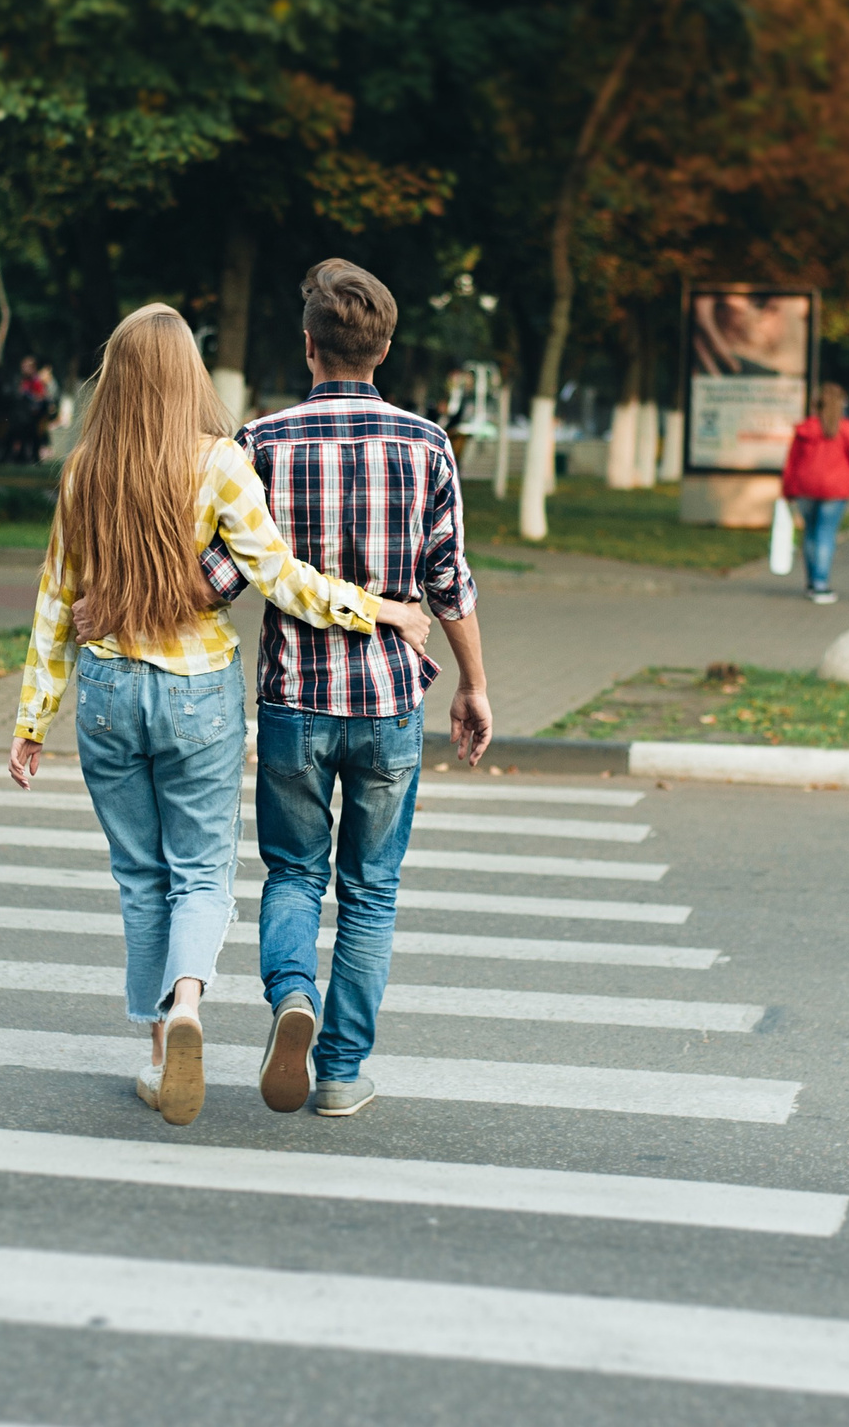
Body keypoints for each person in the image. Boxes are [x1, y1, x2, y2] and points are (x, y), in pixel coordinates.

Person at [7, 303, 429, 1128]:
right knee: (201, 873)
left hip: (107, 692)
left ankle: (160, 1048)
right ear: (188, 376)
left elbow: (56, 600)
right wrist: (378, 608)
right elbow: (282, 578)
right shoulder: (221, 465)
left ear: (116, 379)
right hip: (197, 690)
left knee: (140, 877)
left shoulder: (83, 469)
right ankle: (191, 1004)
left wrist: (31, 722)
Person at [195, 258, 493, 1121]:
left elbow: (219, 579)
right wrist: (473, 685)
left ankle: (294, 994)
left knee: (293, 873)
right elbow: (448, 581)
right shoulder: (428, 445)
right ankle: (339, 1072)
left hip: (295, 699)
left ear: (308, 345)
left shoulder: (261, 443)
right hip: (390, 703)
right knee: (370, 891)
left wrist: (118, 606)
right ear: (385, 349)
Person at [781, 380, 849, 604]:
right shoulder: (848, 430)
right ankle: (821, 584)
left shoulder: (805, 429)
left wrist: (787, 489)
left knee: (810, 533)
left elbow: (792, 461)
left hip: (806, 488)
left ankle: (812, 582)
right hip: (835, 490)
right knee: (825, 534)